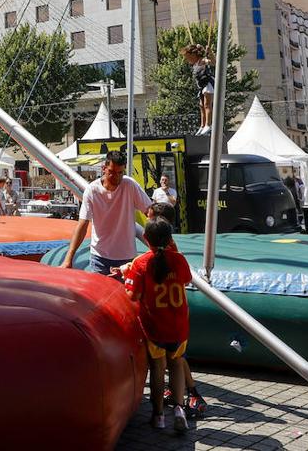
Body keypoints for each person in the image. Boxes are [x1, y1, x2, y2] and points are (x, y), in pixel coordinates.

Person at [123, 218, 193, 434]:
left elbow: (133, 295)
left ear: (145, 238)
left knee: (157, 368)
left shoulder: (141, 263)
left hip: (155, 327)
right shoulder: (179, 260)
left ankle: (159, 415)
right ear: (171, 238)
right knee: (177, 363)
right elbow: (187, 281)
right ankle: (180, 409)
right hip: (178, 326)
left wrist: (126, 275)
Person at [60, 151, 152, 276]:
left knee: (125, 295)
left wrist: (160, 245)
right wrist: (68, 259)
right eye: (112, 172)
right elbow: (82, 225)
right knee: (99, 294)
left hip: (126, 258)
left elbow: (150, 212)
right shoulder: (92, 190)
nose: (117, 177)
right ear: (104, 168)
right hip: (100, 258)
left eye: (120, 173)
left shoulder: (130, 185)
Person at [181, 44, 214, 136]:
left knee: (207, 105)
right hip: (201, 86)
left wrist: (210, 52)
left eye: (188, 57)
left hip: (208, 84)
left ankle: (208, 125)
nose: (187, 60)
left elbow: (213, 62)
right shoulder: (195, 64)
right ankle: (203, 125)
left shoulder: (202, 61)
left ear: (193, 55)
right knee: (201, 106)